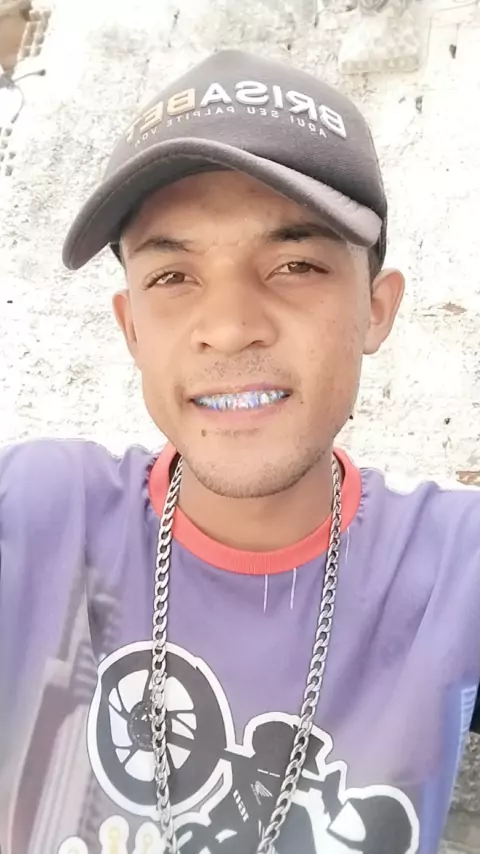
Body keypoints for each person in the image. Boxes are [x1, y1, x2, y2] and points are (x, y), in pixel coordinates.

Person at [0, 48, 478, 854]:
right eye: (173, 277)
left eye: (295, 265)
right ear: (131, 327)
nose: (228, 327)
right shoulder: (36, 512)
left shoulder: (453, 569)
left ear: (375, 308)